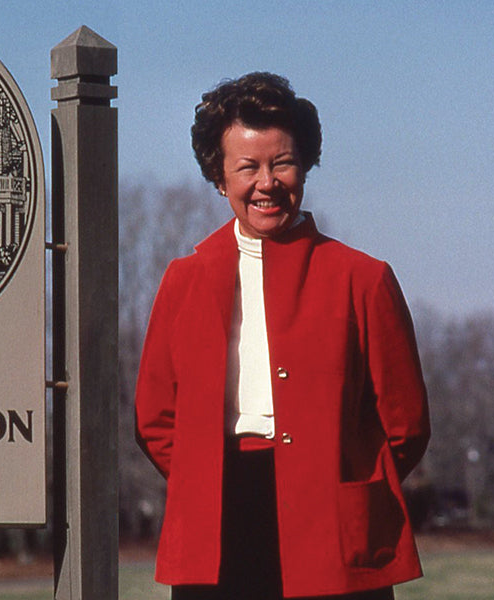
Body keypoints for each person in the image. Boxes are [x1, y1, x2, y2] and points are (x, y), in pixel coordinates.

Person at [135, 72, 430, 600]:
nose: (266, 183)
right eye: (247, 167)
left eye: (283, 163)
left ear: (306, 166)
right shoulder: (185, 279)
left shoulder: (364, 279)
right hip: (218, 523)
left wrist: (342, 486)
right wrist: (203, 483)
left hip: (333, 531)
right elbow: (156, 419)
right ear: (221, 179)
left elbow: (405, 425)